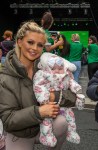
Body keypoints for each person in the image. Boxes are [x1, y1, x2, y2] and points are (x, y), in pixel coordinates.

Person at [0, 21, 77, 150]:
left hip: (45, 127)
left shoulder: (50, 67)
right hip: (20, 133)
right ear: (19, 42)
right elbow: (8, 120)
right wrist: (39, 112)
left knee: (62, 122)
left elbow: (73, 97)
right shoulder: (5, 76)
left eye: (40, 45)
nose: (35, 48)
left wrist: (54, 96)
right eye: (30, 42)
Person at [33, 53, 85, 147]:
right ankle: (46, 135)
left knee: (70, 117)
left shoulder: (67, 76)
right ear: (47, 69)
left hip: (63, 106)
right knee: (47, 119)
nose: (57, 71)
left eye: (60, 69)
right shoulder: (43, 75)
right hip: (49, 104)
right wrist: (44, 99)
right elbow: (39, 86)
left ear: (64, 68)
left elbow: (72, 83)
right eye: (53, 69)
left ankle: (71, 132)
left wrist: (78, 92)